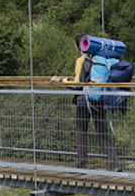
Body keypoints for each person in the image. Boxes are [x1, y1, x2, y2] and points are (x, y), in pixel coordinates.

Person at [49, 37, 121, 171]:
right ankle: (114, 163)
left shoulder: (81, 60)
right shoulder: (97, 59)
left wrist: (60, 80)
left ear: (78, 46)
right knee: (102, 131)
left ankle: (81, 165)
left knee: (81, 131)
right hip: (99, 97)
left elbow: (77, 83)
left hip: (84, 100)